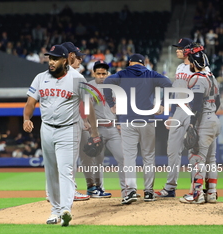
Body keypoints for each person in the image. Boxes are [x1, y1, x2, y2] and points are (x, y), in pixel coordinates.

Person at [23, 45, 100, 226]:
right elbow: (30, 102)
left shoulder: (77, 79)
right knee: (50, 171)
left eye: (55, 58)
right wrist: (26, 118)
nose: (51, 61)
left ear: (65, 60)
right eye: (50, 58)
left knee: (65, 170)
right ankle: (55, 210)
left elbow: (88, 106)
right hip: (47, 128)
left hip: (69, 129)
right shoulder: (40, 78)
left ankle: (65, 209)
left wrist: (94, 131)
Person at [104, 53, 172, 204]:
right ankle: (148, 192)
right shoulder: (151, 74)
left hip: (127, 121)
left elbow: (107, 82)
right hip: (147, 120)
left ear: (130, 63)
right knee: (148, 157)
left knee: (129, 157)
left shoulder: (122, 74)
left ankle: (131, 191)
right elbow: (169, 84)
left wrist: (111, 105)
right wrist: (162, 104)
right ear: (144, 63)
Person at [179, 50, 220, 204]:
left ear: (195, 63)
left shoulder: (196, 78)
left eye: (190, 61)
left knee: (197, 159)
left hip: (203, 122)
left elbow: (196, 105)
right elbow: (218, 103)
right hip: (214, 120)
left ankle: (197, 195)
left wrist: (192, 123)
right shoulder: (212, 77)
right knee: (211, 160)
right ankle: (211, 193)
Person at [155, 38, 194, 198]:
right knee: (172, 150)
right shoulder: (179, 67)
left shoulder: (198, 67)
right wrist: (170, 114)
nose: (177, 50)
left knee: (194, 149)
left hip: (193, 110)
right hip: (179, 109)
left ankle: (195, 189)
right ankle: (170, 187)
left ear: (189, 50)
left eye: (180, 48)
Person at [80, 60, 125, 198]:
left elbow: (121, 106)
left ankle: (127, 190)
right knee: (97, 161)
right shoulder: (89, 87)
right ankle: (97, 188)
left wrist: (121, 123)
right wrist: (86, 122)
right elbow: (84, 106)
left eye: (103, 73)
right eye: (98, 73)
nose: (101, 76)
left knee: (123, 157)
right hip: (97, 128)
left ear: (108, 73)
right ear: (93, 73)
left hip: (112, 127)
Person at [61, 41, 90, 201]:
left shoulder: (52, 74)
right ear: (70, 56)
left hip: (54, 122)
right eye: (78, 57)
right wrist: (85, 119)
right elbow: (84, 101)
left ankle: (52, 193)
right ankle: (70, 192)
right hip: (72, 120)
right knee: (71, 159)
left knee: (56, 160)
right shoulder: (77, 77)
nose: (80, 60)